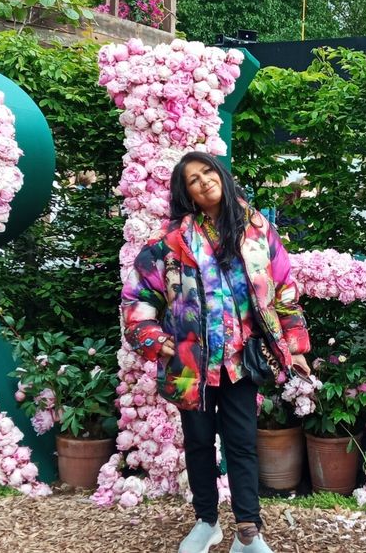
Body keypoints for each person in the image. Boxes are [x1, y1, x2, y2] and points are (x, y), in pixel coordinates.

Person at [122, 151, 311, 553]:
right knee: (199, 443)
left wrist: (293, 345)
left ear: (221, 175)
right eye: (193, 179)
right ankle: (207, 523)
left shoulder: (259, 231)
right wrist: (154, 339)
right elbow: (138, 296)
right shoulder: (170, 243)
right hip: (191, 363)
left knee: (242, 443)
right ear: (186, 193)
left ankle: (248, 532)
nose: (204, 181)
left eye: (208, 172)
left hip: (241, 360)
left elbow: (284, 291)